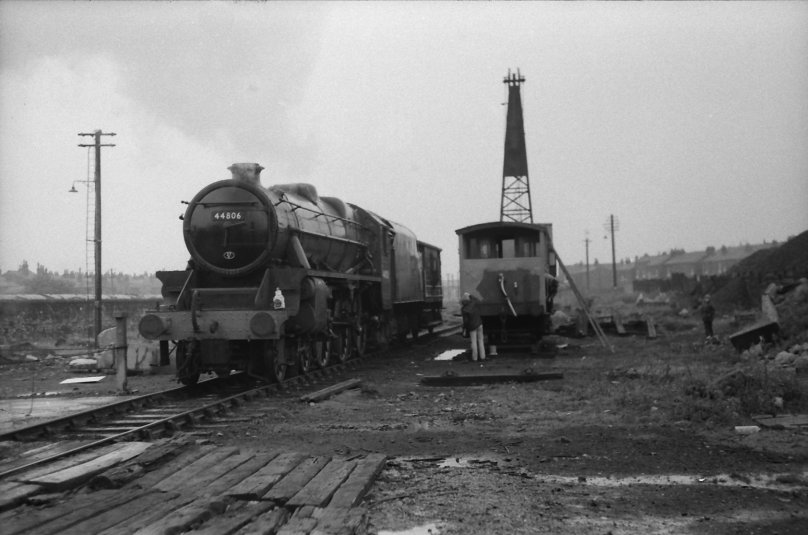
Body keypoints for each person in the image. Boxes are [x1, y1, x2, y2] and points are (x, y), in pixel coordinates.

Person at [461, 292, 486, 362]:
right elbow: (476, 299)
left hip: (472, 327)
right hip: (479, 324)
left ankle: (475, 358)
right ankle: (483, 357)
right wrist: (470, 295)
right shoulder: (474, 303)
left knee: (473, 342)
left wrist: (464, 328)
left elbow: (465, 321)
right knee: (481, 341)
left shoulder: (464, 309)